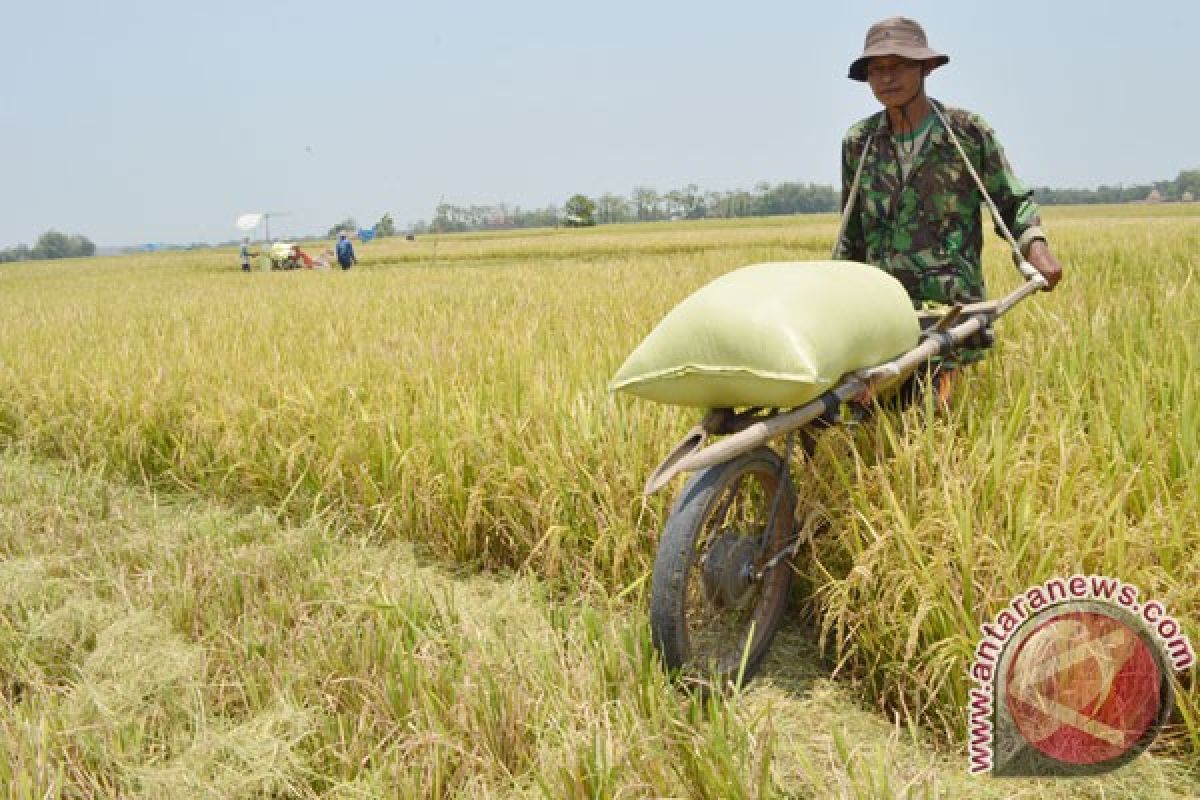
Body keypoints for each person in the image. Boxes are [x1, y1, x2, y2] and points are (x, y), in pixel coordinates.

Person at [835, 17, 1063, 403]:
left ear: (925, 68)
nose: (887, 78)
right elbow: (850, 232)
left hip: (951, 308)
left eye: (899, 65)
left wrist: (1035, 247)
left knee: (934, 416)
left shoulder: (967, 132)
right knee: (871, 416)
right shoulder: (860, 141)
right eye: (877, 70)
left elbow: (1010, 201)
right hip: (885, 310)